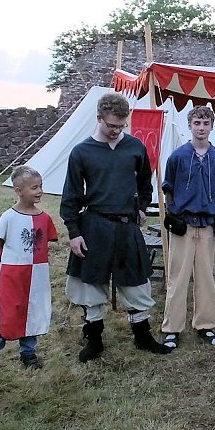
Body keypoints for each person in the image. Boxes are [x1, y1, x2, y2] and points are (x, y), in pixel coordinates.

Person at [60, 92, 171, 362]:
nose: (116, 131)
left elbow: (145, 181)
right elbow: (71, 196)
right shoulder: (82, 152)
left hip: (126, 226)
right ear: (99, 118)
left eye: (121, 126)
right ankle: (94, 339)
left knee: (135, 281)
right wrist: (74, 233)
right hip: (94, 224)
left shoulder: (134, 147)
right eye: (111, 125)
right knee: (91, 283)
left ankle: (142, 336)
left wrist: (142, 207)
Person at [160, 105, 215, 348]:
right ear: (190, 125)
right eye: (197, 123)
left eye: (205, 123)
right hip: (183, 224)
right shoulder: (178, 156)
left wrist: (212, 210)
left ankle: (205, 325)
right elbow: (168, 187)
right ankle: (172, 328)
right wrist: (173, 215)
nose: (201, 128)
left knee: (205, 277)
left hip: (207, 225)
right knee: (178, 277)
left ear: (212, 126)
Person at [0, 166, 58, 371]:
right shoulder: (9, 216)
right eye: (34, 187)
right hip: (13, 273)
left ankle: (28, 352)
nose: (39, 191)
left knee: (32, 310)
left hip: (37, 274)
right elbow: (0, 244)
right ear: (19, 190)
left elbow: (45, 244)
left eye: (40, 186)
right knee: (8, 312)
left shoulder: (44, 217)